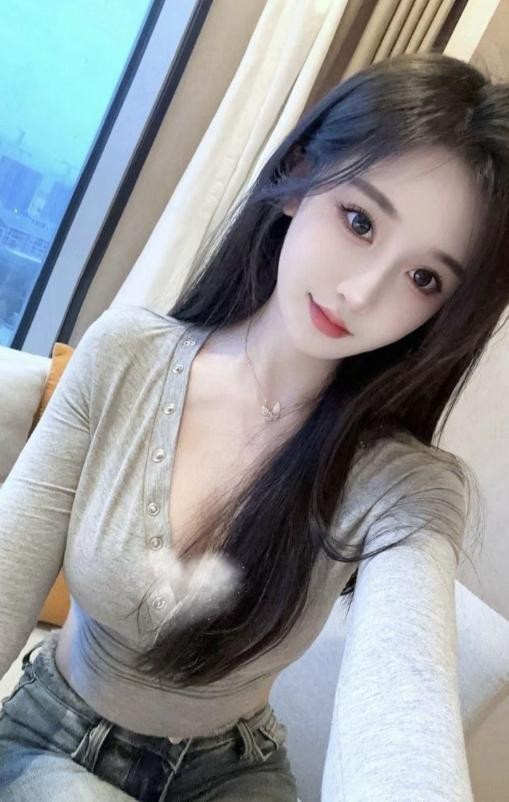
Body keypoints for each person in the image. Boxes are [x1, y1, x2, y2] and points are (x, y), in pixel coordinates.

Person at [0, 50, 506, 801]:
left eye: (423, 278)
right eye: (360, 220)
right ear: (299, 176)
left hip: (230, 769)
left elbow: (405, 701)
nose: (362, 292)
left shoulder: (405, 487)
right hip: (54, 736)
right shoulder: (127, 357)